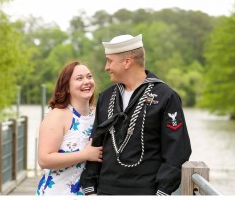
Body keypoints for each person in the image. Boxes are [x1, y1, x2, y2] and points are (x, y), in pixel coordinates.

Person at [80, 34, 192, 195]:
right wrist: (90, 189)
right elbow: (96, 144)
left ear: (127, 62)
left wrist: (163, 191)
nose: (106, 67)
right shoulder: (105, 97)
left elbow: (177, 150)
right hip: (105, 190)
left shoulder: (166, 97)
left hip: (147, 191)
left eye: (110, 61)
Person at [36, 61, 103, 195]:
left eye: (89, 77)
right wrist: (85, 155)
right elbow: (44, 160)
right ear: (66, 87)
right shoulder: (57, 116)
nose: (87, 81)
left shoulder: (98, 114)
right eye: (79, 78)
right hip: (58, 193)